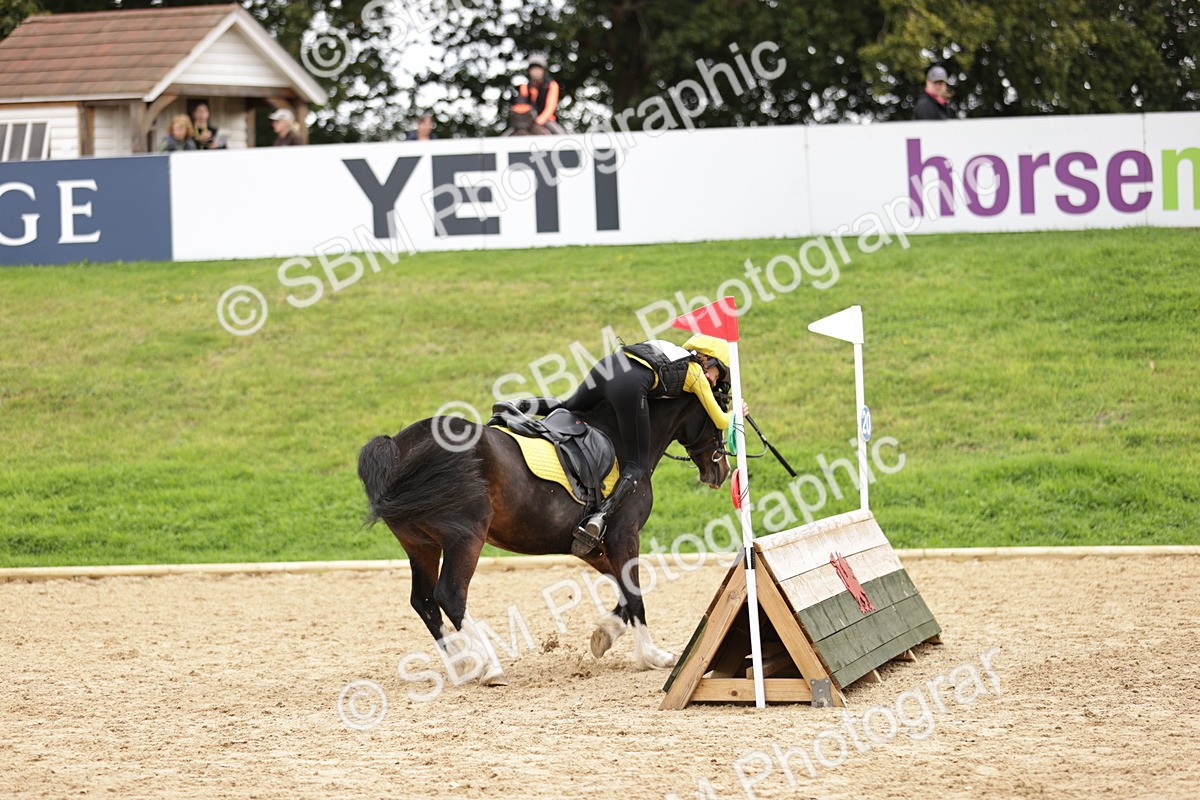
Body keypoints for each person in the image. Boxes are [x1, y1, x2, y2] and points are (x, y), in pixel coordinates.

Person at [521, 335, 743, 556]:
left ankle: (515, 406)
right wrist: (737, 413)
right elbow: (721, 421)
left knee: (567, 405)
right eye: (718, 374)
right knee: (637, 466)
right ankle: (600, 517)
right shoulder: (696, 374)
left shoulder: (672, 352)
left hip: (607, 367)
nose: (714, 381)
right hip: (630, 385)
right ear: (710, 360)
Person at [516, 54, 565, 134]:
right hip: (527, 122)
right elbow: (522, 107)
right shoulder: (524, 87)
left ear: (543, 70)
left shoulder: (552, 85)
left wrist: (538, 121)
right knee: (506, 136)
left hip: (547, 120)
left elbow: (550, 108)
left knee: (561, 135)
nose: (536, 71)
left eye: (538, 68)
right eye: (533, 68)